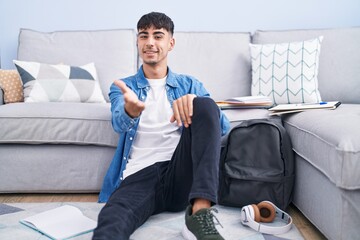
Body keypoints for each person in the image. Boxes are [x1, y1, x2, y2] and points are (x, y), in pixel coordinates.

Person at [93, 12, 230, 240]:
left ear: (170, 43)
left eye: (158, 36)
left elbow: (221, 127)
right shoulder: (123, 87)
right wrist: (130, 111)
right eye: (143, 36)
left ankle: (200, 213)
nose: (150, 42)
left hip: (180, 172)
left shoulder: (190, 84)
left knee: (206, 104)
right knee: (113, 217)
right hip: (139, 175)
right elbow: (118, 122)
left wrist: (195, 104)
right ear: (137, 42)